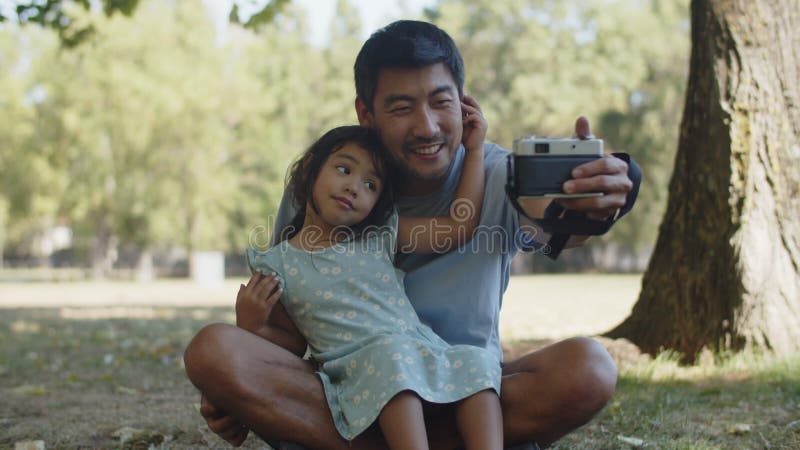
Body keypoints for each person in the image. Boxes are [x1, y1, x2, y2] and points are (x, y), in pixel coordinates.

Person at [184, 20, 640, 449]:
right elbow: (288, 319)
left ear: (463, 102)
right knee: (215, 349)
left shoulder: (496, 174)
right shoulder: (326, 191)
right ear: (366, 113)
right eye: (402, 108)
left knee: (589, 369)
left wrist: (597, 202)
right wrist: (234, 381)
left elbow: (557, 220)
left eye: (441, 103)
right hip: (351, 389)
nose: (427, 127)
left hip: (466, 384)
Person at [237, 116, 502, 450]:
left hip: (420, 351)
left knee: (477, 362)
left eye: (370, 185)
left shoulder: (376, 237)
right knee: (391, 359)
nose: (353, 187)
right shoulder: (277, 264)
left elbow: (458, 226)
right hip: (357, 371)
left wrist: (474, 150)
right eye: (344, 170)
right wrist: (251, 325)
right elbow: (290, 342)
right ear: (308, 171)